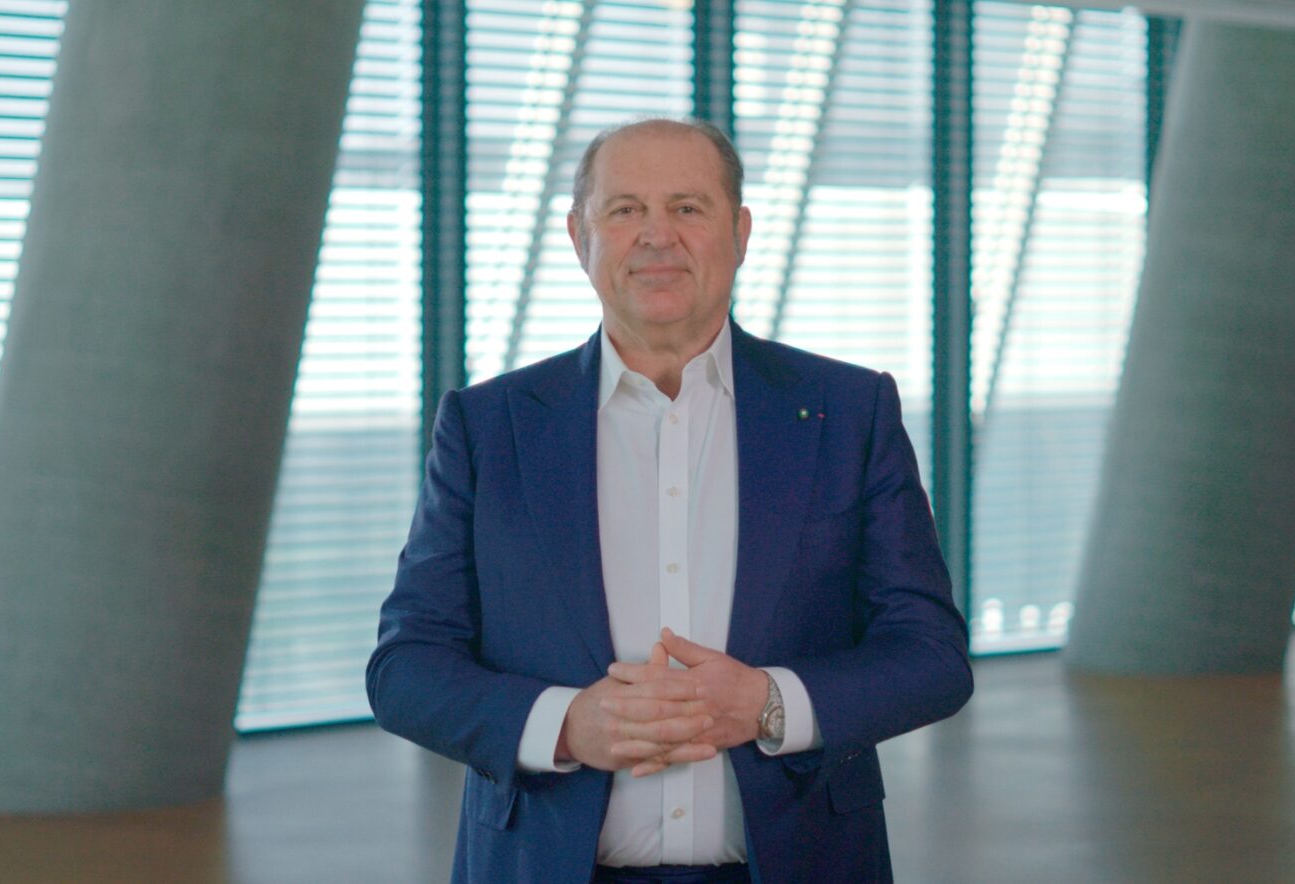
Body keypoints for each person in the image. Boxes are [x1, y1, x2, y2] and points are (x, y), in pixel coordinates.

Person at [367, 118, 972, 884]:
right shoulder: (487, 428)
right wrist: (566, 725)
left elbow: (931, 656)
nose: (658, 236)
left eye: (688, 207)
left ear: (740, 232)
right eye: (625, 210)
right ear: (579, 236)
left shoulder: (849, 412)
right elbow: (406, 666)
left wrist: (768, 703)